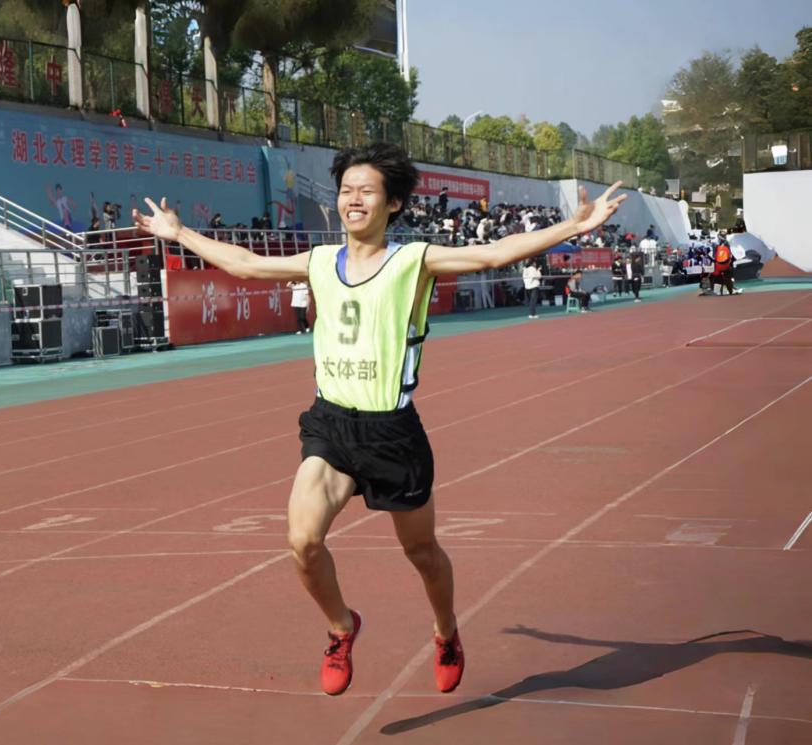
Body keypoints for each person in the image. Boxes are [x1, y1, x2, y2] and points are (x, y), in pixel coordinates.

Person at [132, 142, 625, 697]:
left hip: (392, 432)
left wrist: (572, 227)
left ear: (392, 204)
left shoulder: (414, 261)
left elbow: (493, 254)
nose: (353, 200)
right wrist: (179, 233)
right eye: (346, 190)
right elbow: (246, 264)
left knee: (422, 553)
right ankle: (341, 627)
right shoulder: (319, 261)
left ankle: (446, 632)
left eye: (367, 191)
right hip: (331, 426)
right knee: (302, 542)